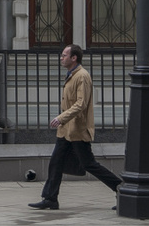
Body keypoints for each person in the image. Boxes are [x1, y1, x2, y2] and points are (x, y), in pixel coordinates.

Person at [28, 44, 121, 210]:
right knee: (56, 162)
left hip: (78, 130)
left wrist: (61, 118)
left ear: (74, 58)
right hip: (66, 130)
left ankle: (121, 188)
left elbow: (80, 104)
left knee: (89, 164)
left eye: (64, 55)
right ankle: (50, 198)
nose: (61, 58)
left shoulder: (82, 76)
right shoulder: (72, 75)